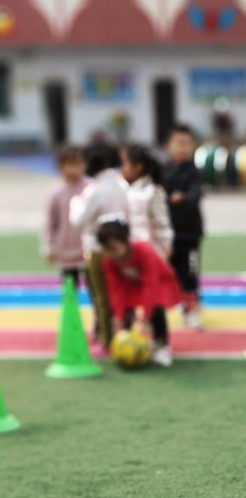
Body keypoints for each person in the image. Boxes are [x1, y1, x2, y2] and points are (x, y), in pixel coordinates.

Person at [97, 217, 181, 368]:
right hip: (133, 284)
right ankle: (126, 344)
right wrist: (119, 317)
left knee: (157, 308)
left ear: (126, 241)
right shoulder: (109, 261)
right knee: (125, 312)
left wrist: (145, 317)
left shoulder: (144, 251)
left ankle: (162, 345)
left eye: (114, 248)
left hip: (159, 281)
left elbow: (151, 285)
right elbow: (116, 290)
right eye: (106, 249)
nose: (110, 253)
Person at [69, 143, 129, 351]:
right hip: (122, 247)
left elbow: (79, 220)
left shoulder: (95, 190)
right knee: (121, 293)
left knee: (102, 296)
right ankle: (125, 333)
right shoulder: (121, 185)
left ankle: (107, 339)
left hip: (98, 248)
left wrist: (75, 203)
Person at [162, 123, 204, 330]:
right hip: (167, 234)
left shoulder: (194, 171)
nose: (183, 148)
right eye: (178, 143)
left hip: (189, 233)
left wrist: (184, 197)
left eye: (187, 143)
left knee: (189, 273)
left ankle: (192, 310)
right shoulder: (163, 170)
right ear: (168, 145)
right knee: (168, 273)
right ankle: (164, 309)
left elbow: (196, 194)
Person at [42, 147, 87, 287]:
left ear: (84, 165)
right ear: (60, 167)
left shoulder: (91, 189)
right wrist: (49, 246)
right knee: (69, 288)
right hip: (66, 250)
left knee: (96, 287)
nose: (72, 169)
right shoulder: (56, 193)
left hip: (88, 249)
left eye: (76, 163)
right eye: (68, 164)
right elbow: (50, 222)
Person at [120, 143, 173, 260]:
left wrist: (165, 246)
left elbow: (161, 222)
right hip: (126, 250)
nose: (121, 168)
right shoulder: (122, 188)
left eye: (124, 163)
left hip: (148, 250)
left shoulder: (152, 191)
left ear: (138, 167)